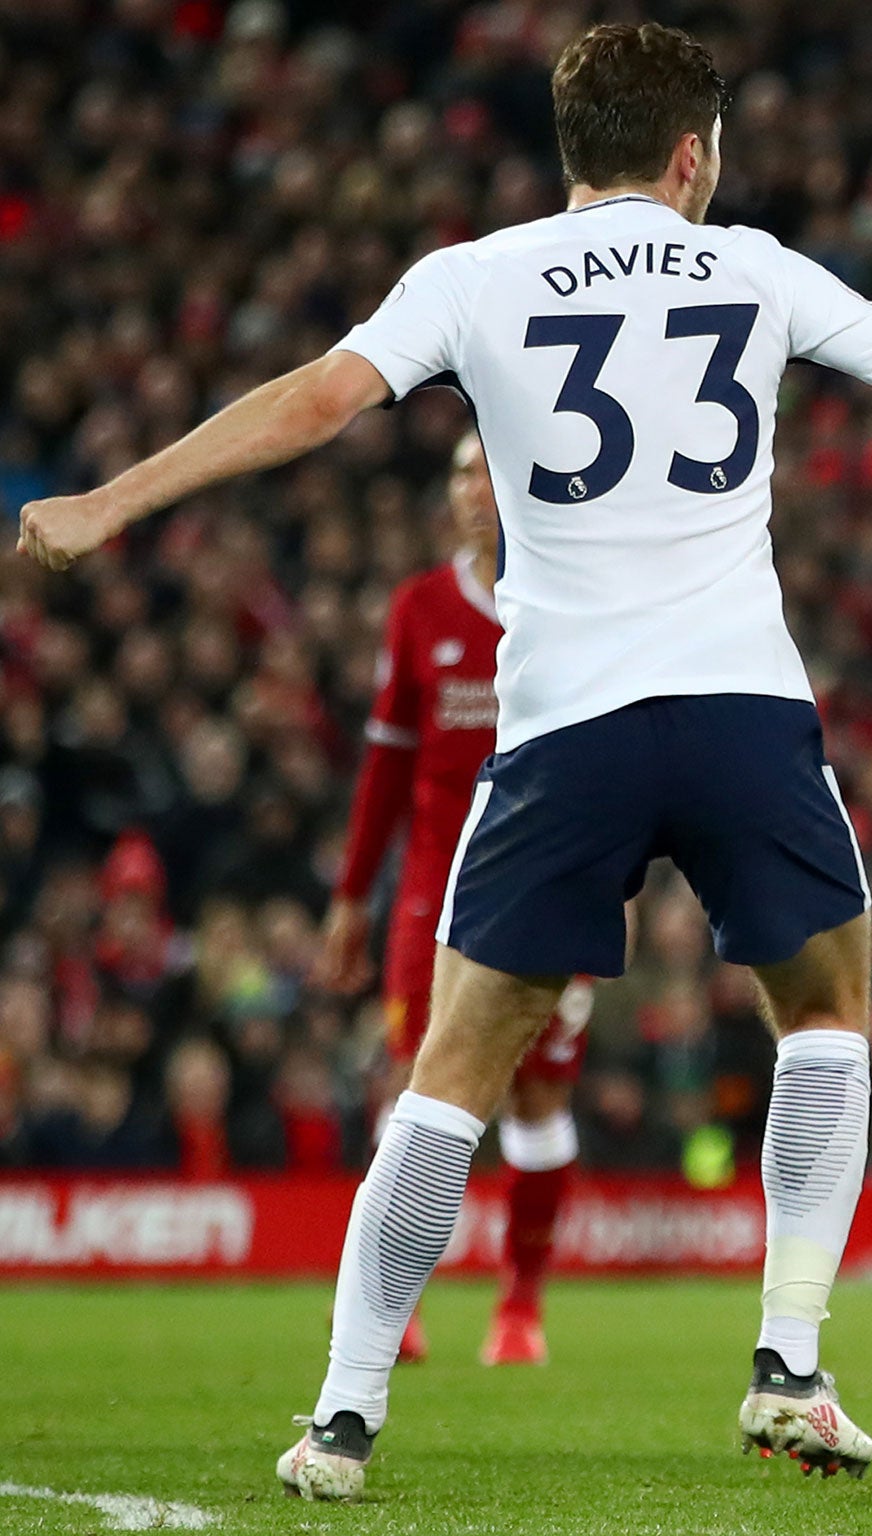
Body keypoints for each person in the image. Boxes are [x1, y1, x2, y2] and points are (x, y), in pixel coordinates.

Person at [15, 21, 872, 1499]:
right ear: (690, 153)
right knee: (828, 1014)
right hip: (739, 710)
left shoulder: (471, 276)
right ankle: (788, 1363)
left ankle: (343, 1415)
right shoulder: (759, 268)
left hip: (567, 725)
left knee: (457, 1066)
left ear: (570, 149)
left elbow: (318, 403)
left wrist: (114, 498)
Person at [312, 431, 592, 1369]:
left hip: (556, 877)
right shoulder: (419, 608)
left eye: (488, 471)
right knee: (414, 1086)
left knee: (538, 1093)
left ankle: (521, 1308)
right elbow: (386, 765)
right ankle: (395, 1302)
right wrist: (351, 897)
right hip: (434, 894)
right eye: (461, 474)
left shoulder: (571, 595)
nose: (474, 489)